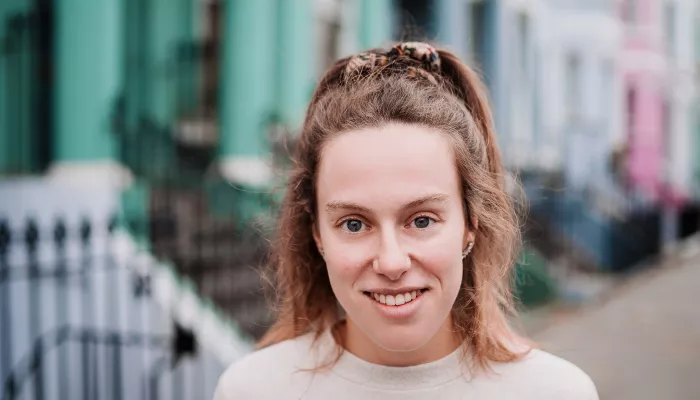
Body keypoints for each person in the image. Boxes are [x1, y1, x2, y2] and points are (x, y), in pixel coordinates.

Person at [213, 42, 598, 400]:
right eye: (353, 224)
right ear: (317, 234)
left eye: (422, 220)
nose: (392, 262)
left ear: (470, 222)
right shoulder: (255, 389)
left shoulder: (554, 392)